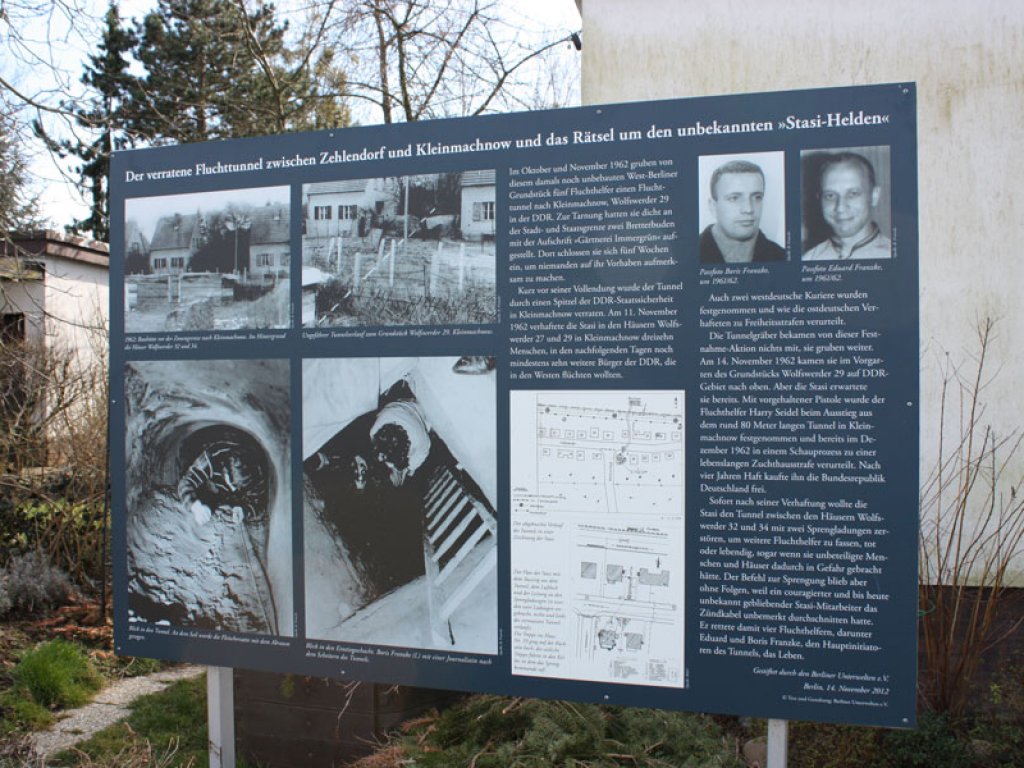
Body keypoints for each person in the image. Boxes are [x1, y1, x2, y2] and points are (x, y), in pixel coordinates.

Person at [803, 152, 892, 260]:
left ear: (874, 196)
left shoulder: (894, 256)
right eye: (830, 196)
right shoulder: (809, 258)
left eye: (853, 194)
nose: (840, 207)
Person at [699, 159, 786, 264]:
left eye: (757, 197)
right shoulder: (688, 255)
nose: (749, 209)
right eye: (734, 198)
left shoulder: (782, 258)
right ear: (713, 206)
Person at [178, 439, 267, 526]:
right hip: (207, 485)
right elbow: (186, 482)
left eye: (239, 487)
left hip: (226, 496)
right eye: (233, 484)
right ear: (225, 470)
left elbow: (259, 503)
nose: (234, 489)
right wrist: (195, 506)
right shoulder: (212, 457)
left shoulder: (257, 475)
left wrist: (244, 510)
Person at [369, 399, 432, 487]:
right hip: (402, 403)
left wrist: (410, 468)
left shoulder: (417, 440)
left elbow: (424, 449)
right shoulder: (374, 432)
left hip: (419, 411)